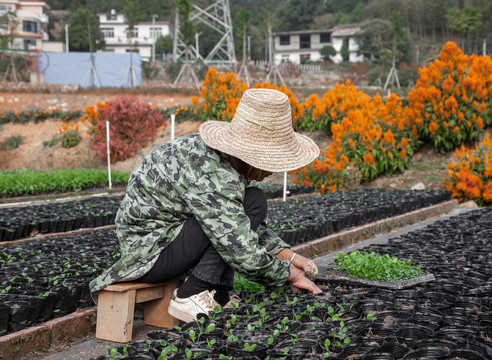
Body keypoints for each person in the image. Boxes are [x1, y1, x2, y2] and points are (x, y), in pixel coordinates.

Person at [89, 88, 323, 323]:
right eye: (271, 162)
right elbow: (242, 251)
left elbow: (238, 223)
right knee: (252, 204)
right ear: (252, 157)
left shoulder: (218, 160)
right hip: (150, 254)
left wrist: (291, 258)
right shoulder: (215, 174)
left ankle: (218, 296)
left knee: (247, 204)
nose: (272, 170)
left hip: (163, 241)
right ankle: (190, 294)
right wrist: (289, 276)